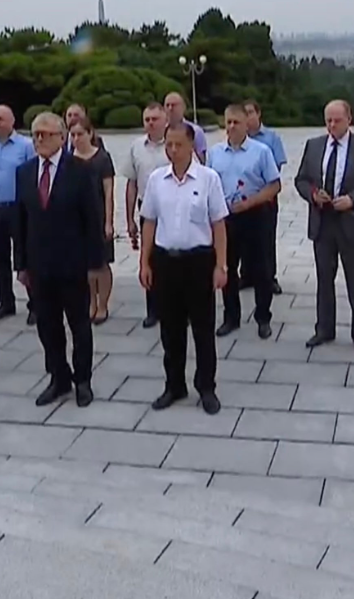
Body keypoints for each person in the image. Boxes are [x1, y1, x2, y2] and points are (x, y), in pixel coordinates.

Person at [15, 112, 106, 407]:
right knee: (47, 326)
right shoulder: (25, 172)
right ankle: (59, 377)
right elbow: (21, 221)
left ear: (62, 137)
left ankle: (83, 381)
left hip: (72, 264)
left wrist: (95, 264)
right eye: (35, 135)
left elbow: (93, 219)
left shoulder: (80, 170)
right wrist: (22, 264)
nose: (39, 139)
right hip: (40, 267)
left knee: (79, 325)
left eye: (46, 134)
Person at [141, 122, 229, 414]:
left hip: (198, 262)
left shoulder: (208, 179)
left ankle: (206, 387)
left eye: (179, 145)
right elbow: (150, 222)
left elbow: (218, 224)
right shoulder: (156, 180)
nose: (173, 151)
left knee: (203, 329)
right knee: (170, 329)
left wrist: (221, 265)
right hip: (166, 261)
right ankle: (174, 384)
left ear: (192, 146)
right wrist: (145, 262)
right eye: (169, 145)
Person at [294, 100, 354, 356]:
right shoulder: (314, 146)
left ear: (349, 119)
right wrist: (314, 195)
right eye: (328, 121)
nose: (332, 125)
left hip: (352, 223)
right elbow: (301, 180)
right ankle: (324, 328)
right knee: (324, 279)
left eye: (337, 120)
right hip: (322, 223)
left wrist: (353, 200)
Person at [208, 103, 280, 339]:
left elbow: (274, 185)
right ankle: (231, 317)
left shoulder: (261, 152)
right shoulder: (215, 153)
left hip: (256, 215)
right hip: (226, 218)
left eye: (236, 122)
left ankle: (263, 317)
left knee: (261, 268)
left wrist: (250, 203)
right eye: (227, 122)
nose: (231, 127)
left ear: (246, 124)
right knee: (227, 266)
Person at [0, 105, 37, 324]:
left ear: (12, 121)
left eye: (1, 119)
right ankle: (6, 301)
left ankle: (35, 304)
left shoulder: (26, 146)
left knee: (25, 257)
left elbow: (34, 174)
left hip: (19, 208)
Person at [120, 103, 171, 328]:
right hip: (146, 209)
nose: (150, 123)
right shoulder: (136, 147)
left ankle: (178, 308)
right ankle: (154, 310)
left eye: (155, 119)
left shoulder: (175, 143)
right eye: (147, 119)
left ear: (165, 121)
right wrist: (129, 218)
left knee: (172, 259)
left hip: (172, 209)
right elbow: (131, 183)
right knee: (149, 258)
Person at [68, 116, 117, 324]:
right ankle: (91, 303)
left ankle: (103, 304)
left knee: (102, 263)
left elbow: (108, 192)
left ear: (90, 134)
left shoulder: (102, 158)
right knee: (84, 266)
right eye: (73, 135)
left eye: (80, 134)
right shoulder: (69, 159)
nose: (77, 138)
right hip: (77, 220)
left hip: (98, 216)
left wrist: (109, 221)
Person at [244, 99, 288, 295]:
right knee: (244, 240)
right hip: (242, 199)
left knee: (266, 240)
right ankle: (246, 275)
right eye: (243, 114)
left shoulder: (271, 138)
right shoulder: (239, 138)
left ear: (258, 113)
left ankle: (269, 277)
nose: (247, 117)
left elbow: (275, 169)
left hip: (265, 197)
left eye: (250, 113)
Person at [163, 92, 208, 162]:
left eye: (174, 105)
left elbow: (202, 160)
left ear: (183, 107)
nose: (170, 108)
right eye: (167, 105)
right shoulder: (161, 131)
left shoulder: (196, 131)